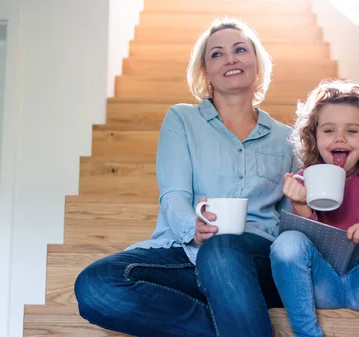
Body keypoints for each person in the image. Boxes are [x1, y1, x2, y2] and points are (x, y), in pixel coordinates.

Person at [74, 18, 298, 337]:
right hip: (188, 253)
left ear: (257, 64)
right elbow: (173, 194)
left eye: (240, 49)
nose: (230, 58)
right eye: (217, 54)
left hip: (257, 261)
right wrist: (191, 228)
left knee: (222, 251)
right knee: (97, 285)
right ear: (205, 71)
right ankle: (238, 325)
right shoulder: (182, 119)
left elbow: (292, 219)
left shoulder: (287, 139)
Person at [270, 79, 359, 337]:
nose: (340, 137)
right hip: (322, 284)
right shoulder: (304, 178)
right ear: (314, 137)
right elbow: (296, 251)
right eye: (328, 131)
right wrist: (301, 205)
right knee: (287, 242)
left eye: (352, 131)